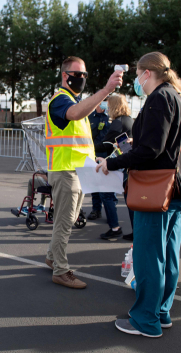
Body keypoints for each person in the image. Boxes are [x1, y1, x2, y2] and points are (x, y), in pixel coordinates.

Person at [96, 51, 181, 337]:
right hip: (179, 189)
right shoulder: (176, 97)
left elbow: (151, 151)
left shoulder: (158, 99)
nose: (136, 81)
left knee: (149, 256)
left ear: (147, 73)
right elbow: (164, 144)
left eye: (137, 75)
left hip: (159, 192)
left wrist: (112, 162)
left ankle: (145, 320)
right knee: (168, 254)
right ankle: (161, 312)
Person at [44, 56, 123, 289]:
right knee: (64, 222)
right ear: (64, 75)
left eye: (84, 75)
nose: (81, 78)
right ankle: (60, 270)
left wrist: (94, 158)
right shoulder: (60, 100)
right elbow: (75, 114)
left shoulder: (74, 100)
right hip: (65, 171)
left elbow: (79, 140)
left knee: (67, 220)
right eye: (77, 74)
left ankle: (52, 257)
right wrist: (107, 90)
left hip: (77, 170)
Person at [94, 93, 134, 241]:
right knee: (129, 198)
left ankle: (115, 228)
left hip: (117, 163)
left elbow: (106, 144)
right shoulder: (129, 120)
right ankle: (136, 230)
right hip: (126, 162)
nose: (107, 107)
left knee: (106, 194)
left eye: (109, 105)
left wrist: (87, 146)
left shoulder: (118, 122)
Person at [87, 102, 111, 220]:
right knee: (95, 184)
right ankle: (96, 210)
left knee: (107, 186)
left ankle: (111, 214)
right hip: (94, 155)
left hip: (105, 156)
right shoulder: (89, 117)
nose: (104, 105)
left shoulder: (108, 118)